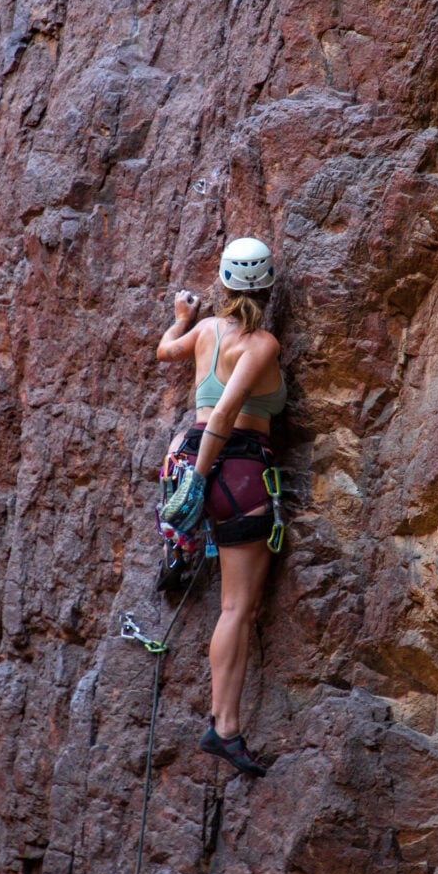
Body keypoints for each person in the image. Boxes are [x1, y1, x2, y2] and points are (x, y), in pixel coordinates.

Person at [155, 237, 286, 778]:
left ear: (224, 286)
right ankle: (225, 727)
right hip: (234, 471)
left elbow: (166, 350)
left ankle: (176, 550)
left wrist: (181, 316)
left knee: (191, 507)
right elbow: (226, 414)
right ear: (270, 287)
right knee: (237, 609)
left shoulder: (205, 331)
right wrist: (203, 482)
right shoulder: (262, 345)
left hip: (181, 456)